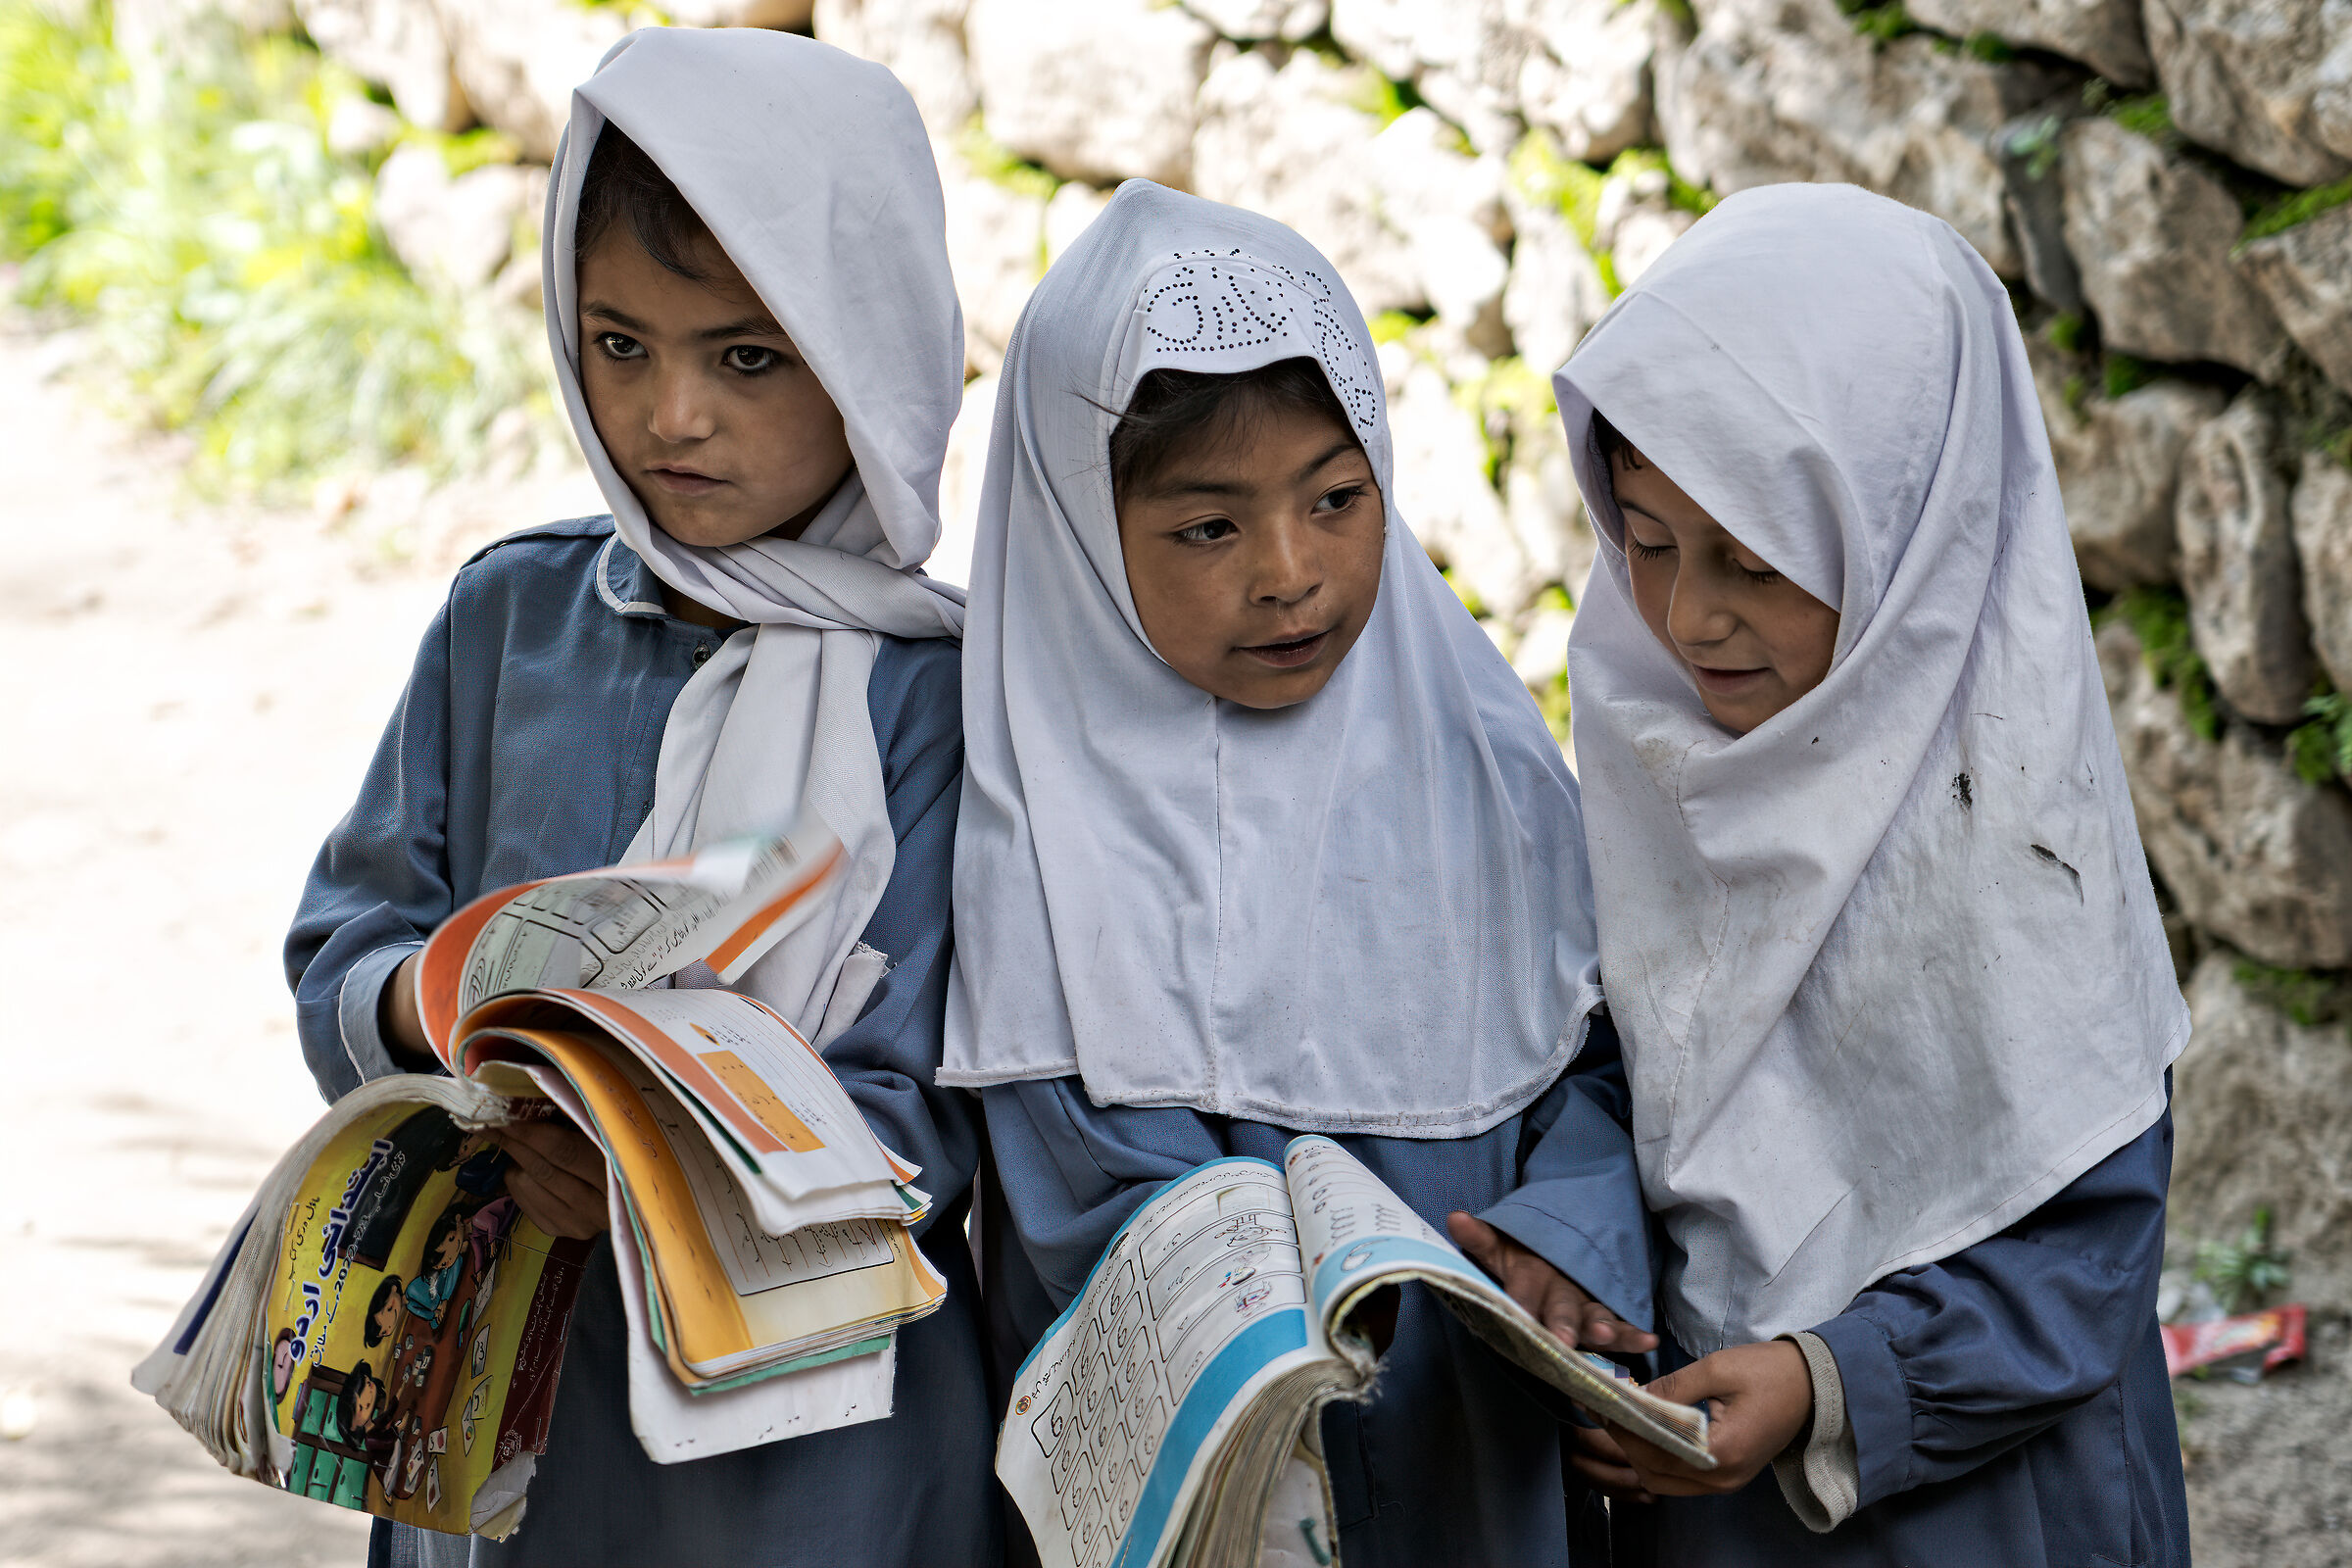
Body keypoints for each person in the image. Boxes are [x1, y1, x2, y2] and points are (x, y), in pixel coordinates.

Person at [284, 26, 997, 1568]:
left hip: (814, 1460)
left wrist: (661, 1165)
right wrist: (435, 1006)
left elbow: (945, 1095)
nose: (670, 417)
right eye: (619, 345)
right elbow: (346, 948)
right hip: (509, 1409)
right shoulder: (510, 623)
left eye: (747, 356)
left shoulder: (943, 697)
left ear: (871, 343)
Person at [942, 179, 1656, 1568]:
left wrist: (1570, 1233)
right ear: (1084, 536)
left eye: (1336, 499)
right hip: (1205, 1494)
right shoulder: (1041, 820)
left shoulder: (1476, 758)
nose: (1289, 573)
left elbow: (1604, 1056)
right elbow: (1073, 1190)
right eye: (1208, 527)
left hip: (1472, 1459)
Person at [1551, 182, 2190, 1564]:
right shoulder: (1649, 754)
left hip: (1985, 1510)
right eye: (1645, 543)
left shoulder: (2015, 852)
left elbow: (2083, 1259)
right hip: (1712, 1499)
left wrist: (1834, 1381)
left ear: (1907, 541)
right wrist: (1564, 1235)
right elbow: (1603, 1063)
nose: (1684, 617)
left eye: (1754, 560)